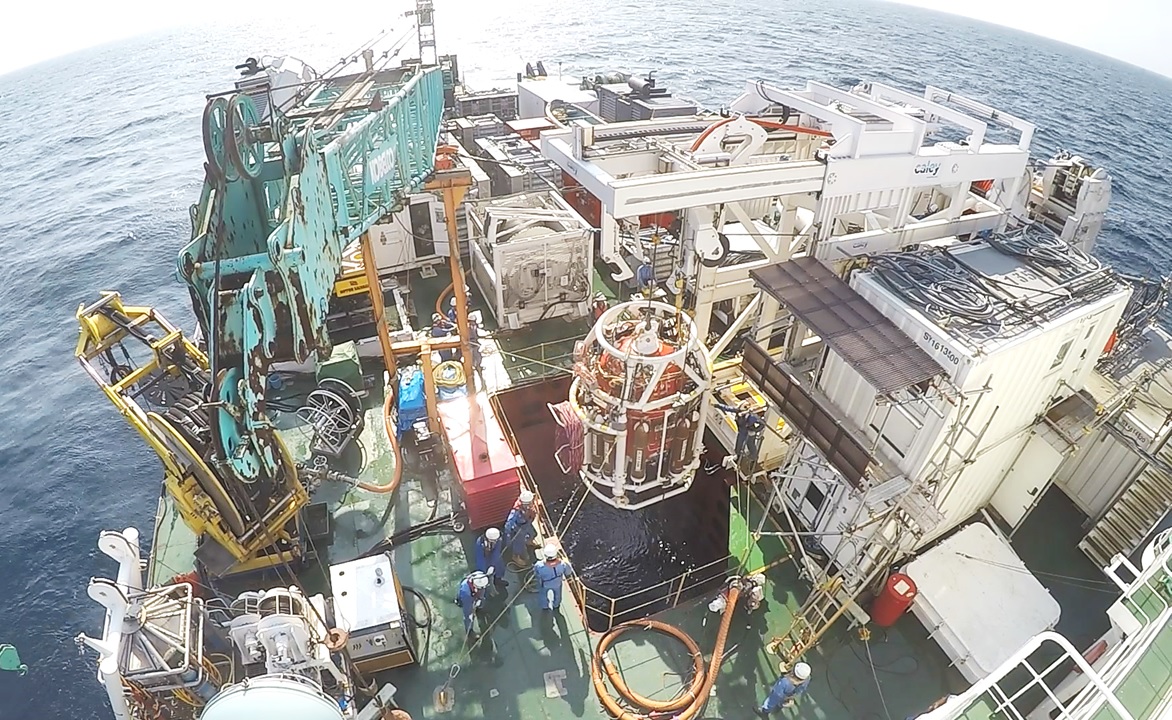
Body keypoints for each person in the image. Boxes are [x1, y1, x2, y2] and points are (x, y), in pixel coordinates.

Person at [532, 543, 573, 612]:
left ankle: (544, 606)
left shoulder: (539, 565)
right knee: (558, 595)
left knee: (543, 595)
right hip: (557, 584)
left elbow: (536, 573)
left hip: (544, 584)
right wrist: (567, 562)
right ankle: (556, 605)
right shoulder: (563, 564)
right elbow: (568, 572)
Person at [503, 489, 539, 560]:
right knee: (519, 544)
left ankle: (528, 541)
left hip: (527, 524)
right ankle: (516, 556)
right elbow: (509, 522)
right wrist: (508, 534)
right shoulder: (516, 511)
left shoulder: (528, 504)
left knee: (533, 533)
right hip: (520, 528)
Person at [455, 571, 490, 637]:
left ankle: (479, 608)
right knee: (468, 616)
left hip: (475, 594)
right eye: (480, 589)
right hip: (468, 597)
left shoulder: (480, 576)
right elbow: (468, 610)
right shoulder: (466, 592)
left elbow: (482, 591)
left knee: (481, 600)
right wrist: (471, 611)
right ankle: (469, 630)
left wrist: (480, 599)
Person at [474, 527, 507, 595]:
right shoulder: (480, 543)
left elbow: (496, 552)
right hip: (485, 558)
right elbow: (480, 558)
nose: (495, 541)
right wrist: (484, 572)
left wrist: (493, 565)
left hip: (495, 557)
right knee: (484, 574)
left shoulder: (498, 540)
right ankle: (486, 588)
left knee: (500, 567)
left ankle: (498, 580)